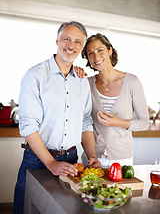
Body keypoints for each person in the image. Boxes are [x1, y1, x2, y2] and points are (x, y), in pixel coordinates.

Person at [13, 22, 101, 214]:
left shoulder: (81, 81)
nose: (71, 45)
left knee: (67, 210)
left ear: (81, 47)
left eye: (77, 41)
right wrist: (51, 163)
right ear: (57, 41)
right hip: (37, 159)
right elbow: (28, 126)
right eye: (66, 39)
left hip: (72, 161)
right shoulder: (35, 75)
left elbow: (86, 121)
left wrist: (92, 155)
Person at [78, 33, 150, 168]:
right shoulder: (86, 83)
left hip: (121, 160)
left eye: (100, 50)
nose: (96, 57)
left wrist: (119, 122)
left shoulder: (132, 82)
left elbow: (144, 123)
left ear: (110, 50)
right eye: (90, 53)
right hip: (93, 157)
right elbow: (82, 121)